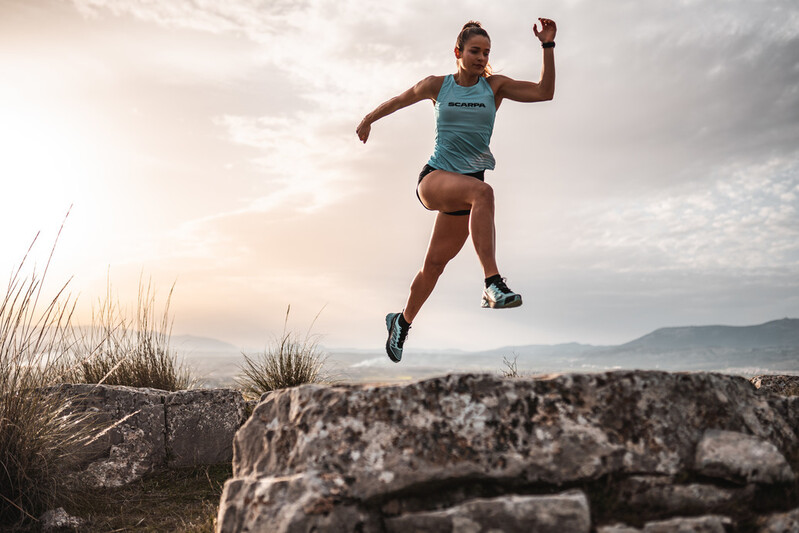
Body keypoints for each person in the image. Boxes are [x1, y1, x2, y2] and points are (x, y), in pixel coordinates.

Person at [356, 18, 557, 363]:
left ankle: (401, 322)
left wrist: (547, 46)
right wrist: (368, 119)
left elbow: (544, 92)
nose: (481, 58)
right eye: (475, 51)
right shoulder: (438, 86)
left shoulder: (494, 88)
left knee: (433, 266)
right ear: (458, 52)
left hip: (464, 194)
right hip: (435, 180)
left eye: (486, 53)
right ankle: (492, 283)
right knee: (484, 192)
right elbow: (399, 100)